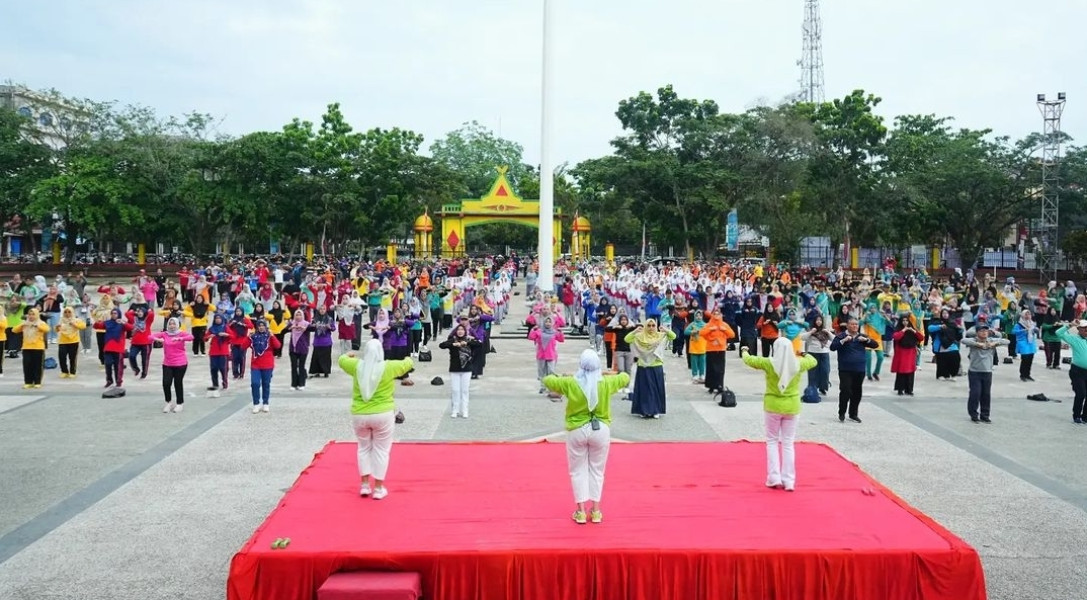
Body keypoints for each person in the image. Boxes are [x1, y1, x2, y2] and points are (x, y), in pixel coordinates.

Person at [542, 349, 630, 524]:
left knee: (577, 470)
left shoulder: (571, 383)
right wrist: (605, 372)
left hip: (577, 428)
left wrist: (566, 374)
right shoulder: (605, 382)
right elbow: (625, 376)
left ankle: (581, 511)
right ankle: (596, 510)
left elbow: (547, 380)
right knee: (597, 470)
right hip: (600, 428)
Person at [338, 339, 414, 500]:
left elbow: (342, 360)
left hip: (359, 413)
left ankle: (365, 485)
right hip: (383, 413)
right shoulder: (388, 367)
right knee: (381, 450)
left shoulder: (356, 366)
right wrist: (407, 357)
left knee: (364, 448)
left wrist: (348, 354)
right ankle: (378, 488)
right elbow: (408, 363)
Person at [741, 338, 817, 491]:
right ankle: (789, 480)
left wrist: (744, 350)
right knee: (788, 443)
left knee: (772, 441)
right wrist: (802, 353)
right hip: (792, 406)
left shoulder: (769, 363)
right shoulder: (798, 363)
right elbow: (813, 360)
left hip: (772, 405)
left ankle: (774, 477)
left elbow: (749, 360)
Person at [830, 316, 879, 423]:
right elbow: (832, 347)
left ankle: (853, 414)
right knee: (846, 390)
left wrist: (867, 340)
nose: (855, 326)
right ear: (847, 325)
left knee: (857, 392)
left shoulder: (861, 337)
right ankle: (842, 412)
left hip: (859, 369)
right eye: (852, 324)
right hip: (845, 369)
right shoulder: (841, 335)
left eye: (856, 324)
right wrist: (843, 341)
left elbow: (875, 345)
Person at [626, 319, 677, 419]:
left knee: (655, 390)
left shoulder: (660, 335)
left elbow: (673, 336)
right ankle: (643, 411)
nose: (651, 328)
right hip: (643, 366)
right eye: (648, 325)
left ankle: (655, 410)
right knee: (644, 390)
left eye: (653, 325)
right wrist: (635, 331)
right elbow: (627, 339)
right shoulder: (640, 336)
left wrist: (666, 330)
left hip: (656, 366)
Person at [962, 323, 1009, 423]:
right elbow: (963, 340)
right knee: (975, 393)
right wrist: (978, 344)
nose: (984, 333)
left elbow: (1006, 341)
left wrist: (994, 343)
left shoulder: (991, 340)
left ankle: (985, 415)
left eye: (986, 331)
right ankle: (973, 414)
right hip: (975, 371)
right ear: (977, 332)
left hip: (987, 371)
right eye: (982, 331)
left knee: (986, 394)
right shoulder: (973, 341)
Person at [150, 318, 195, 413]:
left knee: (177, 383)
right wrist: (157, 339)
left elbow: (191, 337)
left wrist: (180, 338)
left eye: (174, 324)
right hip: (167, 363)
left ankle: (180, 403)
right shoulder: (165, 334)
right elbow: (149, 337)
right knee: (166, 383)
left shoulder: (181, 333)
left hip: (180, 362)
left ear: (177, 325)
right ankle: (168, 402)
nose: (172, 326)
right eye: (170, 324)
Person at [438, 323, 480, 418]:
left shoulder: (469, 340)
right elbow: (442, 345)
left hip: (467, 369)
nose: (460, 331)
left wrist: (468, 343)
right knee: (455, 390)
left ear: (465, 331)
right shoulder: (453, 340)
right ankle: (455, 410)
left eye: (462, 330)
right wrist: (453, 344)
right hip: (454, 369)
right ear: (456, 331)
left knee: (465, 390)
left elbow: (479, 344)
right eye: (458, 330)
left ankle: (465, 410)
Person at [240, 320, 282, 413]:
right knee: (255, 383)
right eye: (259, 326)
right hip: (256, 364)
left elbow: (278, 346)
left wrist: (272, 336)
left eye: (263, 325)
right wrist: (248, 337)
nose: (261, 327)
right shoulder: (253, 336)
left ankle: (266, 403)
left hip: (268, 364)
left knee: (266, 384)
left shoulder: (269, 336)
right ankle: (256, 403)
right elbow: (243, 347)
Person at [1056, 319, 1087, 424]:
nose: (1086, 330)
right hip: (1077, 371)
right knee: (1081, 393)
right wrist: (1069, 325)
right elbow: (1058, 333)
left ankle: (1085, 416)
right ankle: (1077, 415)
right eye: (1084, 328)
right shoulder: (1074, 339)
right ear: (1079, 329)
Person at [14, 308, 50, 389]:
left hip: (38, 347)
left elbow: (47, 329)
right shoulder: (25, 323)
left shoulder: (41, 323)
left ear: (37, 315)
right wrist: (23, 325)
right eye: (29, 314)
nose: (31, 316)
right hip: (26, 347)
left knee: (37, 365)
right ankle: (28, 382)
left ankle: (37, 381)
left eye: (33, 314)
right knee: (27, 365)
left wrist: (37, 326)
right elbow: (14, 330)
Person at [890, 315, 924, 396]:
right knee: (901, 371)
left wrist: (914, 331)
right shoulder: (899, 329)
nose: (905, 322)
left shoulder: (912, 330)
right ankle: (900, 389)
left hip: (911, 353)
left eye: (907, 321)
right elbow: (896, 337)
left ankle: (909, 390)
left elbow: (921, 338)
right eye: (903, 320)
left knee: (910, 372)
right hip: (901, 353)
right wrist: (903, 330)